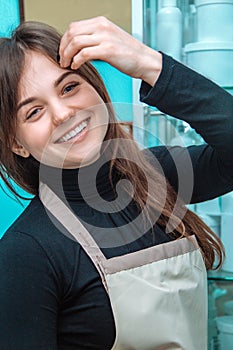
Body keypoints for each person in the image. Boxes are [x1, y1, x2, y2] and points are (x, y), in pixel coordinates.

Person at [0, 16, 232, 350]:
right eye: (33, 112)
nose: (63, 113)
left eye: (69, 87)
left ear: (95, 88)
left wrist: (149, 64)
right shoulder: (26, 255)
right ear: (17, 144)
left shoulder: (159, 176)